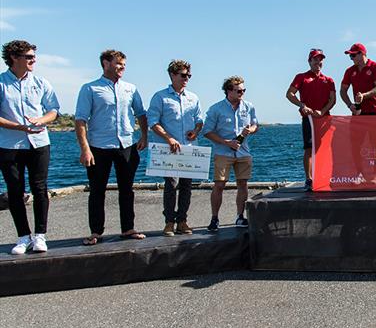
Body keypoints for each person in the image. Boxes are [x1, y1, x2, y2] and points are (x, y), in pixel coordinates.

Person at [75, 49, 148, 245]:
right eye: (118, 63)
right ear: (106, 63)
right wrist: (85, 149)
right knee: (97, 190)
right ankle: (96, 232)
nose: (122, 67)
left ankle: (128, 228)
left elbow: (141, 113)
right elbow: (81, 120)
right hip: (99, 147)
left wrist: (144, 135)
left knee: (127, 189)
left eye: (124, 64)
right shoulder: (90, 89)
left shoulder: (131, 89)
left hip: (126, 145)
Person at [0, 40, 60, 254]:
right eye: (29, 56)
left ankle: (40, 237)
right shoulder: (1, 83)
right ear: (15, 58)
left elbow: (54, 110)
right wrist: (19, 127)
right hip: (9, 146)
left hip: (39, 143)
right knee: (15, 191)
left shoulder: (41, 82)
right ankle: (23, 237)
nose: (34, 60)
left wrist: (42, 120)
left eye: (34, 56)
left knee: (40, 188)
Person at [147, 60, 204, 236]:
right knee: (171, 185)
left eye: (189, 75)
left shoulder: (193, 98)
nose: (186, 78)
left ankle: (183, 221)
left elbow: (199, 120)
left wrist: (195, 131)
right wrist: (169, 138)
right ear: (172, 75)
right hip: (168, 149)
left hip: (188, 148)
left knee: (187, 187)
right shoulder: (160, 97)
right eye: (183, 75)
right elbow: (153, 122)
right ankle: (169, 222)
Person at [202, 76, 258, 231]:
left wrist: (251, 130)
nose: (242, 93)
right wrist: (226, 142)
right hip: (223, 152)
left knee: (243, 184)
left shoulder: (248, 107)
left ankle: (240, 217)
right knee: (219, 184)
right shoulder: (216, 109)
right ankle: (214, 218)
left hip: (243, 152)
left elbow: (255, 125)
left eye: (243, 90)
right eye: (238, 90)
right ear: (228, 91)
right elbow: (207, 131)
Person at [286, 48, 336, 190]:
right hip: (308, 119)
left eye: (320, 59)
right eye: (315, 59)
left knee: (325, 149)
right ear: (309, 61)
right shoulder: (301, 77)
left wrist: (323, 111)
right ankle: (309, 179)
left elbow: (333, 99)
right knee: (309, 149)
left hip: (325, 119)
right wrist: (302, 105)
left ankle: (324, 176)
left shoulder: (329, 80)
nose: (318, 62)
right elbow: (290, 94)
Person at [340, 43, 376, 115]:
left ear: (362, 54)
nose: (351, 58)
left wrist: (364, 95)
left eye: (353, 55)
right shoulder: (349, 71)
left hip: (375, 111)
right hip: (358, 112)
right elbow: (343, 90)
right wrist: (350, 105)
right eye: (350, 56)